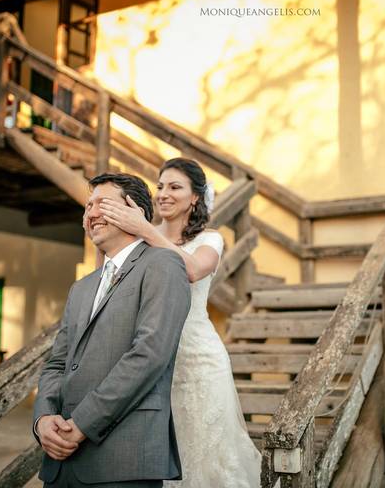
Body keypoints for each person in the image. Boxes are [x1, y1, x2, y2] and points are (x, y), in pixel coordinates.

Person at [97, 158, 262, 487]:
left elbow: (190, 270)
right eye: (160, 186)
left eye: (174, 187)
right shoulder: (138, 238)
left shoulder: (210, 240)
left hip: (200, 359)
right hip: (154, 356)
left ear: (195, 197)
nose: (163, 194)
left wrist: (143, 228)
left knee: (211, 454)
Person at [34, 173, 192, 488]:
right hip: (60, 465)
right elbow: (57, 363)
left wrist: (81, 424)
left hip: (123, 459)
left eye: (101, 205)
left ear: (135, 211)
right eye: (87, 206)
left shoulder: (163, 265)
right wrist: (43, 420)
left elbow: (149, 355)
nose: (90, 214)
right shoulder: (81, 287)